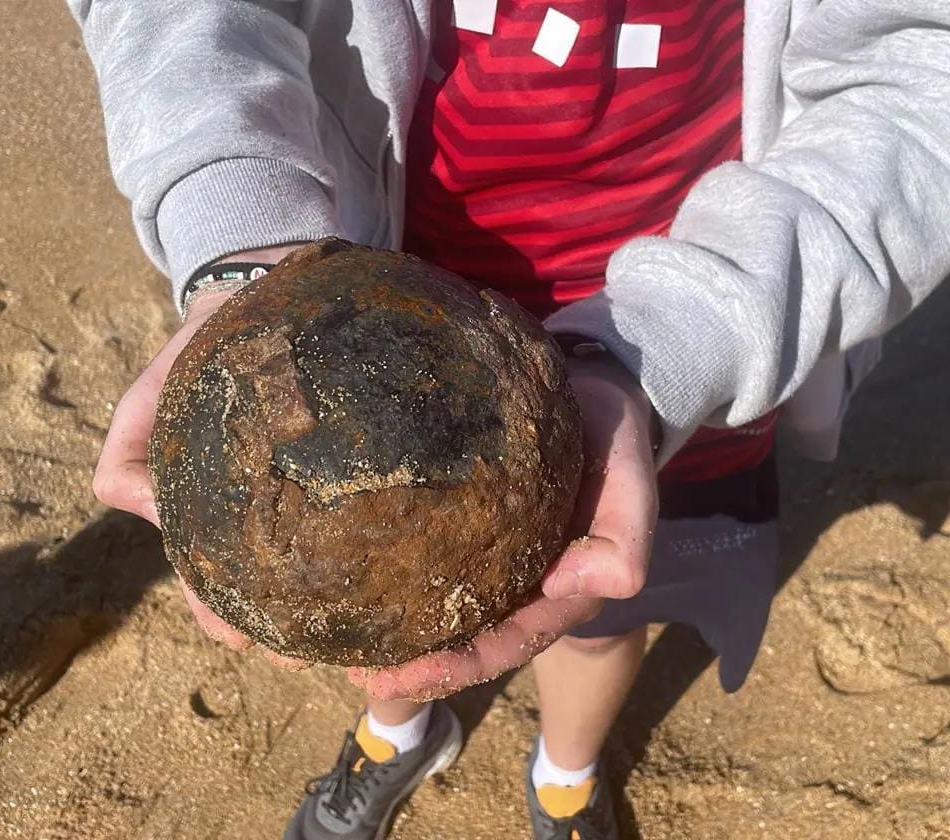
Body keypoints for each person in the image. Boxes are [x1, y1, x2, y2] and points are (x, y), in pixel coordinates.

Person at [71, 1, 950, 837]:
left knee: (600, 606)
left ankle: (566, 776)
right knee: (387, 626)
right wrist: (237, 225)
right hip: (390, 278)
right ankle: (397, 734)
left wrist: (682, 340)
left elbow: (920, 82)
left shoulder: (686, 346)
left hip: (690, 339)